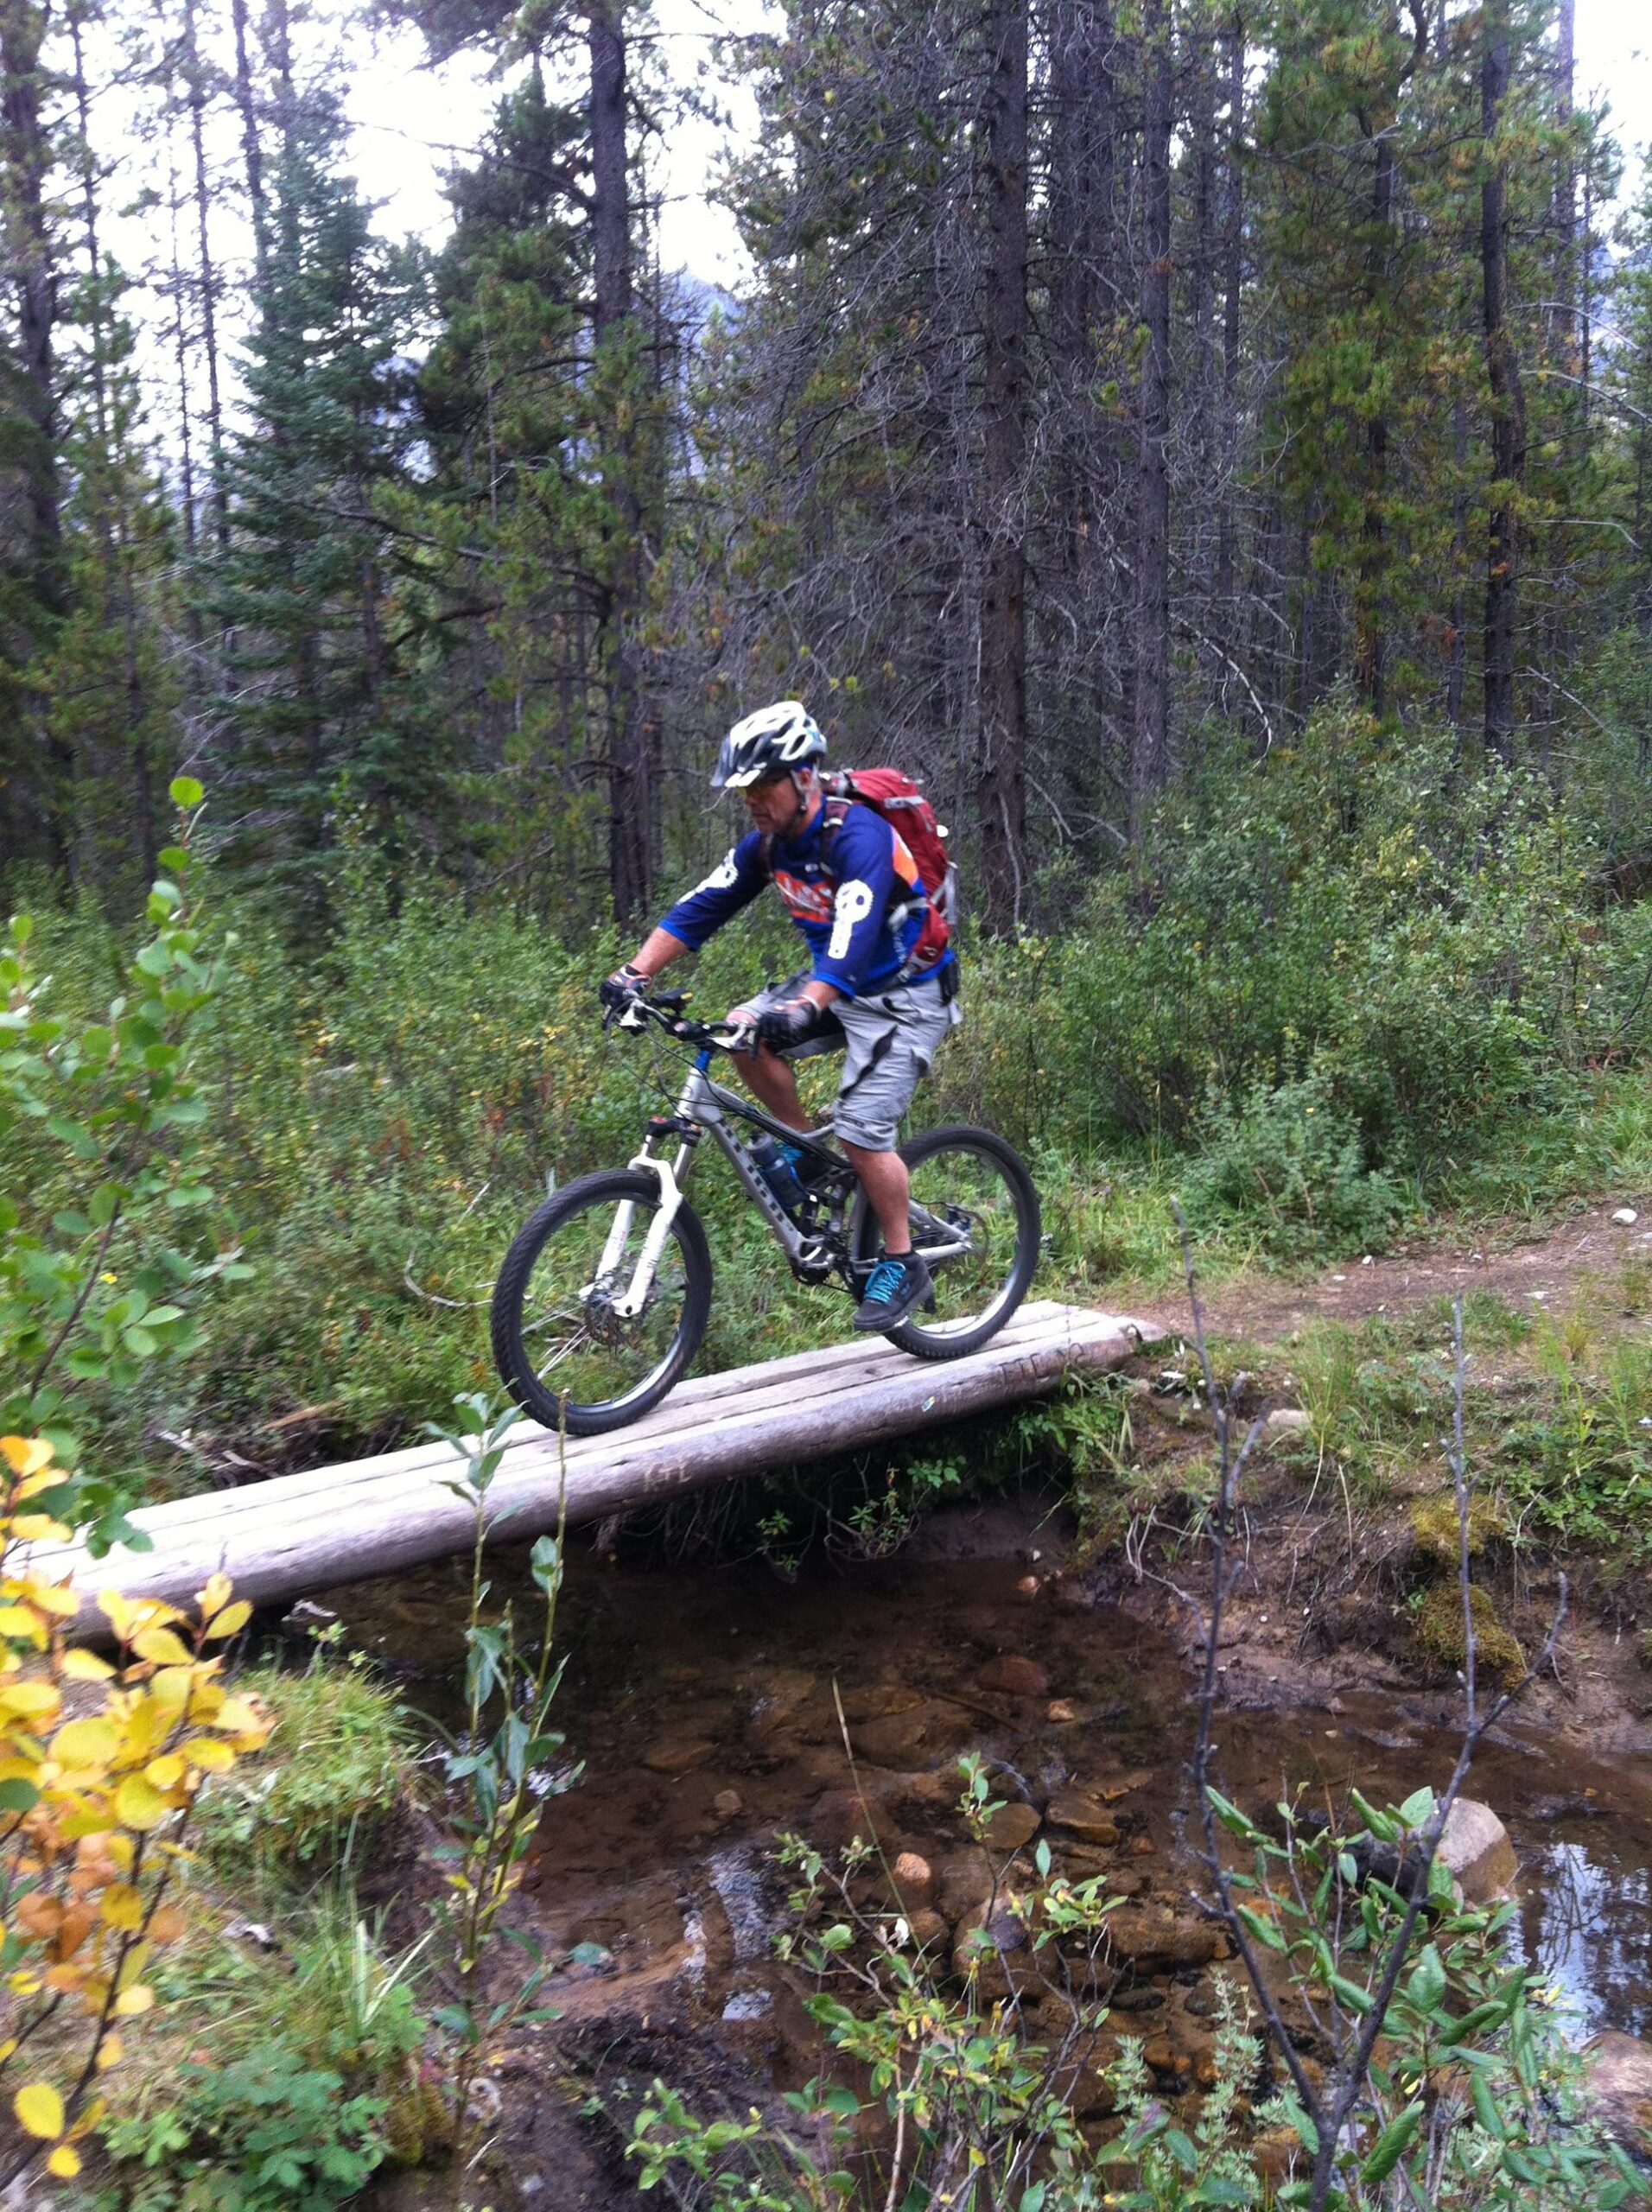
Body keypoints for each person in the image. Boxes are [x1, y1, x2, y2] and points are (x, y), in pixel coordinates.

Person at [600, 701, 960, 1332]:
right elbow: (701, 906)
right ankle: (811, 1155)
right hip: (837, 985)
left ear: (803, 779)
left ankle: (903, 1262)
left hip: (906, 993)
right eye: (744, 790)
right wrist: (634, 974)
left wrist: (804, 1008)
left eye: (762, 786)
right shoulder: (770, 847)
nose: (751, 801)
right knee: (743, 1032)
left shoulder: (860, 838)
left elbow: (851, 939)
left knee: (860, 1127)